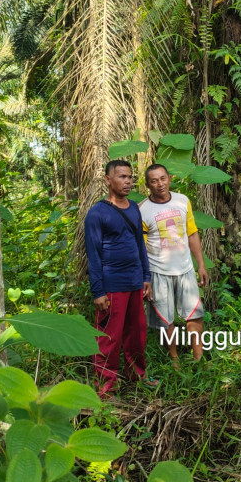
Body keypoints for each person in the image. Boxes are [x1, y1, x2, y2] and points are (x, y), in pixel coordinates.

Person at [84, 159, 157, 397]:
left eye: (130, 177)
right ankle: (106, 389)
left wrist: (146, 276)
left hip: (135, 282)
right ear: (108, 180)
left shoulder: (134, 207)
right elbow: (93, 254)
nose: (128, 181)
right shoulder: (97, 213)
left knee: (137, 334)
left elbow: (139, 244)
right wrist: (98, 291)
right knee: (109, 339)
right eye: (122, 177)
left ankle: (138, 376)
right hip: (111, 286)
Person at [139, 164, 210, 363]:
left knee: (194, 315)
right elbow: (141, 248)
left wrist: (201, 265)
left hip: (185, 269)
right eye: (154, 181)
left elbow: (192, 233)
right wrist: (145, 279)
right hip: (158, 272)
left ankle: (199, 358)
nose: (160, 184)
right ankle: (174, 360)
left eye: (162, 179)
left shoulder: (182, 201)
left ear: (170, 178)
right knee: (165, 319)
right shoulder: (143, 210)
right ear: (147, 185)